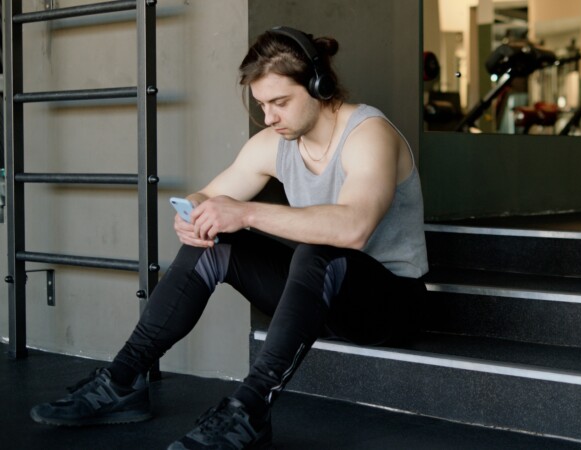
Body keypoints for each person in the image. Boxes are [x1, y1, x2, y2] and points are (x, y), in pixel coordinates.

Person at [29, 25, 428, 450]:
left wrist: (246, 212)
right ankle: (122, 380)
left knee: (318, 250)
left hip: (389, 304)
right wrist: (198, 213)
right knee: (218, 244)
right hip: (319, 294)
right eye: (262, 105)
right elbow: (211, 193)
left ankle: (249, 411)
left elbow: (353, 227)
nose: (269, 117)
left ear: (318, 85)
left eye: (280, 102)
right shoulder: (273, 143)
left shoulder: (369, 134)